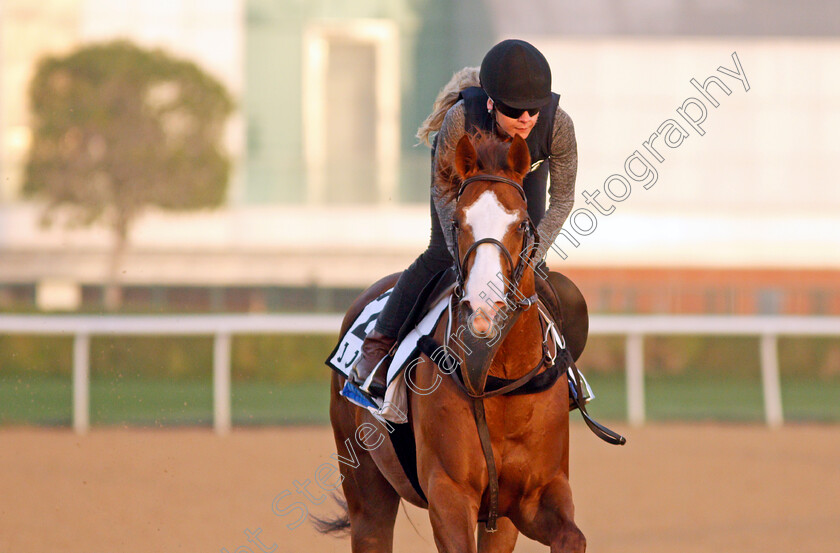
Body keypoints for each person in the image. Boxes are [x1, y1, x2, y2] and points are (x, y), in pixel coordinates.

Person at [347, 38, 587, 403]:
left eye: (534, 110)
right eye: (514, 110)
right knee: (440, 258)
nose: (526, 119)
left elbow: (563, 198)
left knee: (531, 271)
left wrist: (531, 254)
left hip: (521, 174)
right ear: (490, 102)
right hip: (460, 179)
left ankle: (562, 370)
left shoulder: (558, 126)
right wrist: (462, 250)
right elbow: (444, 191)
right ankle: (376, 348)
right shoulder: (460, 120)